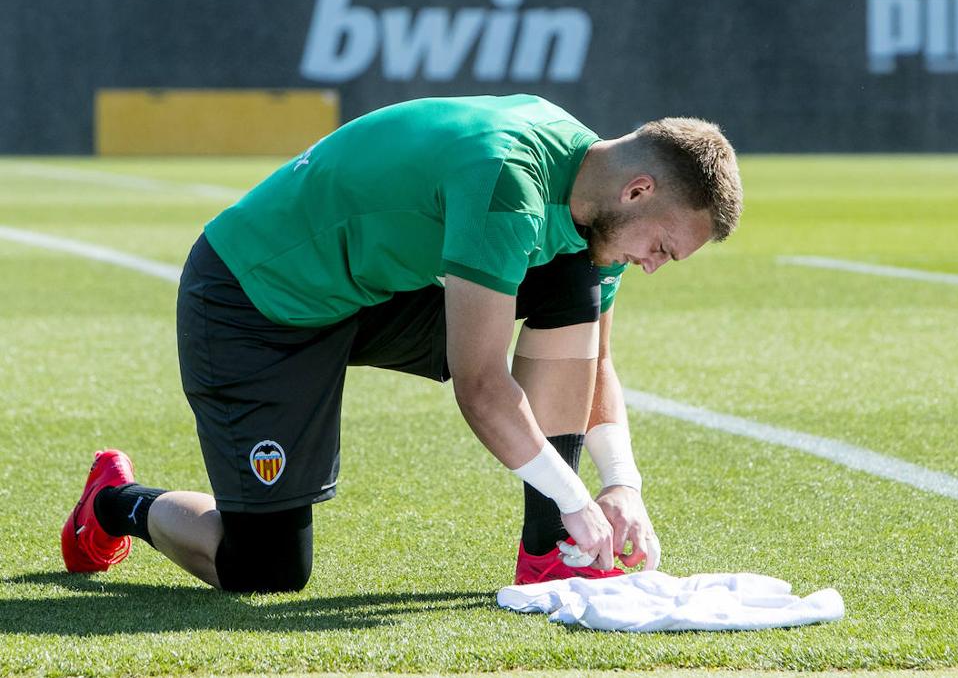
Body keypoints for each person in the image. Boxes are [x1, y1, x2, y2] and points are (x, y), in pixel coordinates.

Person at [60, 94, 742, 592]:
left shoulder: (596, 200)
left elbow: (596, 361)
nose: (651, 264)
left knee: (574, 278)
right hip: (256, 301)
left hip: (377, 290)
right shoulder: (509, 180)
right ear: (639, 188)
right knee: (264, 569)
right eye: (661, 247)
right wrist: (575, 495)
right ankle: (116, 504)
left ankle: (549, 556)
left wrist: (622, 486)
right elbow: (480, 386)